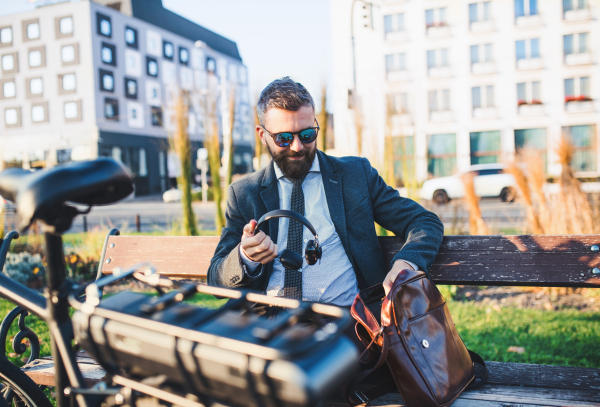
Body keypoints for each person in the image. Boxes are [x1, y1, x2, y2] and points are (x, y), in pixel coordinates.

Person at [208, 77, 443, 305]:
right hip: (271, 321)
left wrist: (407, 262)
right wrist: (245, 257)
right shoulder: (244, 193)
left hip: (346, 320)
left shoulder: (356, 175)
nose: (297, 147)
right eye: (283, 138)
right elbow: (216, 280)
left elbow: (424, 221)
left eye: (307, 134)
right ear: (263, 135)